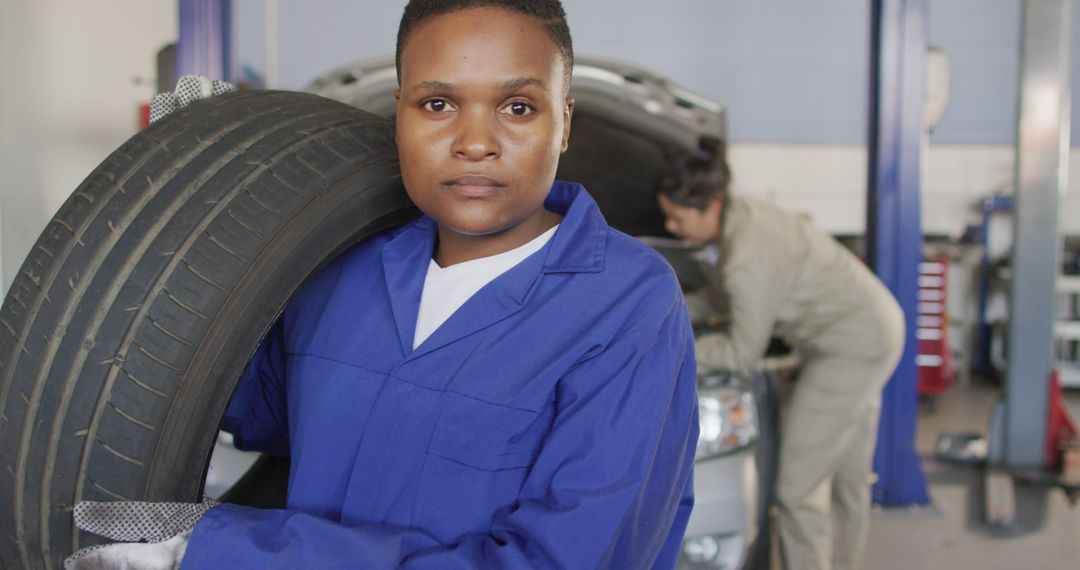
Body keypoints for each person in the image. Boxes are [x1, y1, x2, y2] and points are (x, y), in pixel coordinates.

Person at [64, 1, 699, 569]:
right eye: (438, 104)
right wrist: (196, 235)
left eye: (517, 107)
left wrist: (223, 551)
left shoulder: (628, 304)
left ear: (563, 122)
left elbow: (566, 560)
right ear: (399, 112)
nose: (475, 142)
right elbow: (263, 409)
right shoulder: (344, 268)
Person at [656, 157, 904, 570]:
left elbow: (740, 352)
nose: (671, 228)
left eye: (677, 218)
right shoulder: (740, 222)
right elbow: (718, 299)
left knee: (796, 491)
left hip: (850, 348)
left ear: (711, 207)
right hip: (875, 327)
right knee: (846, 482)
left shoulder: (746, 254)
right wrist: (659, 308)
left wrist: (671, 351)